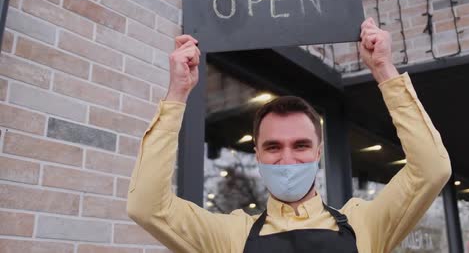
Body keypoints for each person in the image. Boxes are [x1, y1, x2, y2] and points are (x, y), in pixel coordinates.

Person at [127, 17, 452, 253]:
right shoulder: (229, 236)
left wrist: (384, 70)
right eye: (273, 147)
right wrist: (177, 94)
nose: (287, 159)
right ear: (257, 153)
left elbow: (431, 169)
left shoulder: (365, 224)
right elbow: (147, 206)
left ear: (319, 152)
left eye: (301, 145)